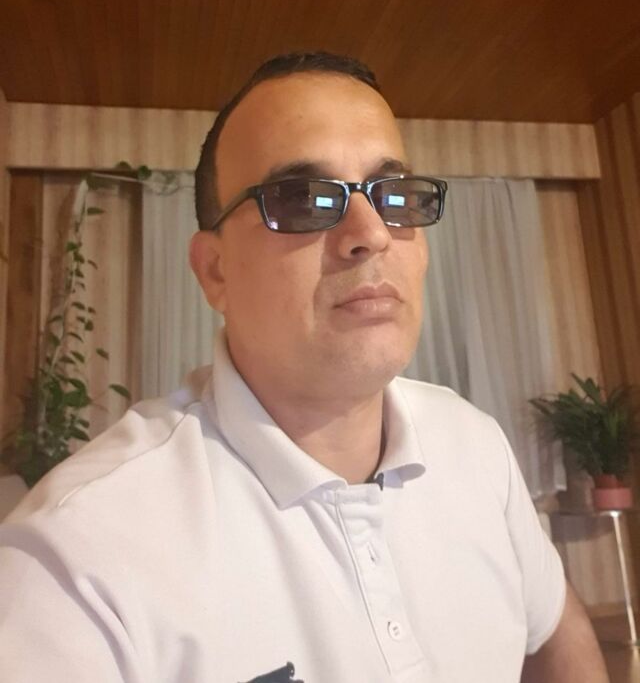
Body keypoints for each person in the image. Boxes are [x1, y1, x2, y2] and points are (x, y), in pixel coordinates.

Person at [0, 52, 608, 683]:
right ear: (216, 271)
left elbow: (553, 626)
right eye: (303, 200)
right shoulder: (76, 561)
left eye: (394, 195)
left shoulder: (475, 443)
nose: (371, 232)